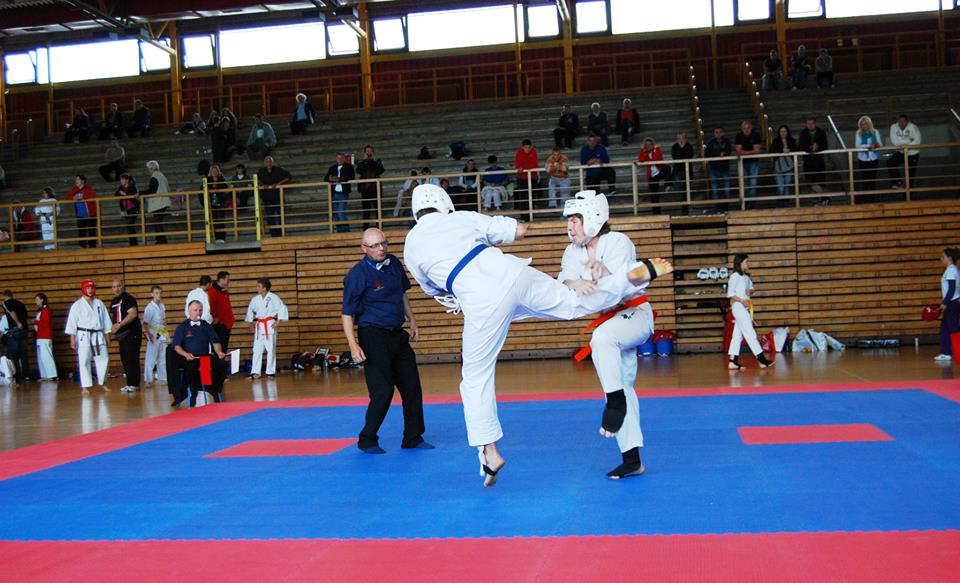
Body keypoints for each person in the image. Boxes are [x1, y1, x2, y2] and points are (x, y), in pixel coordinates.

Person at [402, 183, 672, 486]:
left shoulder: (411, 243)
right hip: (511, 271)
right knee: (570, 303)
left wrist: (453, 296)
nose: (571, 225)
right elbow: (516, 231)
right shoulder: (461, 218)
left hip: (479, 297)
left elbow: (430, 288)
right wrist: (518, 227)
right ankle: (628, 277)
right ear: (445, 203)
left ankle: (489, 451)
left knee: (475, 375)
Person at [559, 191, 652, 479]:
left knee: (601, 338)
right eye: (569, 221)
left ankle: (613, 402)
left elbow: (622, 284)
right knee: (624, 382)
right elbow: (563, 280)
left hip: (636, 315)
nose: (570, 226)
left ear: (594, 219)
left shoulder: (617, 242)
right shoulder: (572, 252)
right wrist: (576, 282)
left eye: (576, 220)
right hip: (611, 321)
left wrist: (600, 276)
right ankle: (632, 459)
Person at [342, 228, 432, 454]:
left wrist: (412, 320)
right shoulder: (357, 275)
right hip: (372, 335)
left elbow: (402, 294)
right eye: (374, 245)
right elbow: (347, 313)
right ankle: (367, 438)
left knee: (412, 387)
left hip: (396, 334)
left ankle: (413, 437)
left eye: (383, 243)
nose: (381, 248)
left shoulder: (393, 263)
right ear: (364, 249)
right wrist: (353, 345)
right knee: (382, 390)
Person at [170, 300, 228, 406]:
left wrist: (219, 352)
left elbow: (215, 341)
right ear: (189, 311)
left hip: (204, 356)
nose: (198, 312)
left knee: (222, 365)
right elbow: (176, 346)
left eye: (200, 310)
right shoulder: (182, 327)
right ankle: (193, 394)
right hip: (190, 357)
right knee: (191, 369)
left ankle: (214, 390)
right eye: (195, 310)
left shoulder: (206, 325)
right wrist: (186, 354)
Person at [726, 254, 774, 370]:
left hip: (745, 307)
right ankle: (762, 359)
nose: (748, 264)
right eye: (746, 262)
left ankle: (733, 361)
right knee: (750, 333)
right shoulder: (734, 276)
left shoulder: (746, 277)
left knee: (737, 336)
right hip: (738, 307)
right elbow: (730, 294)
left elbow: (751, 289)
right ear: (740, 263)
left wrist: (750, 292)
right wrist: (742, 300)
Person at [65, 280, 112, 395]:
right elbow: (72, 323)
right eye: (88, 288)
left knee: (104, 359)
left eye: (92, 288)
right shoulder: (77, 305)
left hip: (98, 334)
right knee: (84, 360)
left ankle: (102, 382)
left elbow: (105, 321)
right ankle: (85, 386)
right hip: (83, 335)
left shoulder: (99, 303)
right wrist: (72, 339)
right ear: (83, 289)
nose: (90, 290)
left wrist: (107, 336)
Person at [245, 279, 289, 378]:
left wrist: (278, 322)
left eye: (258, 286)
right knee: (257, 350)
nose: (257, 288)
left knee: (270, 349)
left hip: (269, 324)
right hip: (259, 325)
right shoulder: (255, 299)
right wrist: (250, 323)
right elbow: (250, 310)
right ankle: (255, 372)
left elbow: (282, 308)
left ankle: (270, 371)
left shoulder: (273, 297)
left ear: (264, 288)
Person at [110, 280, 142, 393]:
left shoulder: (128, 299)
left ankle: (134, 384)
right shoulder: (114, 301)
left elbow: (132, 314)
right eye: (114, 287)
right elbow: (113, 316)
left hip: (131, 332)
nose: (116, 289)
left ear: (123, 286)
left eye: (118, 286)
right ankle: (130, 383)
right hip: (122, 335)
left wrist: (120, 325)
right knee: (125, 359)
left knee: (131, 358)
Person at [935, 247, 960, 362]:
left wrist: (945, 303)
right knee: (945, 327)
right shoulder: (952, 269)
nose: (941, 258)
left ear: (949, 258)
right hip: (953, 302)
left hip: (952, 303)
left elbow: (951, 289)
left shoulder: (951, 270)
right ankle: (946, 352)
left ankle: (956, 353)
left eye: (943, 257)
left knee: (953, 328)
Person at [257, 156, 292, 237]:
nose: (268, 163)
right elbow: (256, 180)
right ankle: (274, 235)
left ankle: (281, 234)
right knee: (270, 218)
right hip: (267, 199)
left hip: (278, 197)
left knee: (281, 217)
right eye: (267, 161)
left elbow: (289, 177)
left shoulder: (278, 169)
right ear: (264, 163)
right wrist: (262, 185)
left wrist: (278, 184)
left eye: (270, 161)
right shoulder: (261, 171)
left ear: (272, 162)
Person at [0, 291, 29, 383]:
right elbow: (25, 315)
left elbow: (12, 312)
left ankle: (17, 376)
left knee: (14, 354)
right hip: (24, 330)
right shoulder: (20, 304)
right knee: (23, 354)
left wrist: (18, 323)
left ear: (4, 296)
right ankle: (26, 375)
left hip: (15, 329)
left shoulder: (5, 303)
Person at [355, 145, 386, 230]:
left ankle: (379, 227)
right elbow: (359, 171)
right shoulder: (361, 162)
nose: (369, 153)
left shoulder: (377, 161)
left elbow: (381, 170)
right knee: (366, 210)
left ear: (373, 152)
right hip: (365, 189)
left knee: (378, 209)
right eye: (367, 151)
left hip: (375, 189)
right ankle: (365, 228)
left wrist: (374, 161)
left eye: (370, 151)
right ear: (364, 153)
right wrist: (365, 161)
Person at [798, 117, 829, 201]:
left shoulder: (821, 132)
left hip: (819, 162)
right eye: (808, 124)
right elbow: (801, 146)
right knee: (810, 182)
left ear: (815, 124)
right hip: (808, 162)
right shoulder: (803, 133)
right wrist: (810, 148)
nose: (810, 125)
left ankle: (818, 201)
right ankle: (825, 197)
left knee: (819, 182)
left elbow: (825, 145)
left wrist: (818, 147)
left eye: (812, 124)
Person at [141, 161, 172, 245]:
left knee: (157, 222)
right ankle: (160, 240)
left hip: (159, 202)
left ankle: (161, 241)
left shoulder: (155, 177)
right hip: (163, 201)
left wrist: (140, 193)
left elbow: (152, 190)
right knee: (157, 221)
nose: (148, 171)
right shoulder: (161, 175)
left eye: (148, 169)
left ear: (151, 168)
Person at [142, 285, 168, 384]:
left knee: (163, 358)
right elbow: (145, 324)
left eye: (160, 293)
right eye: (156, 293)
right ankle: (148, 379)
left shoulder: (162, 306)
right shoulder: (149, 308)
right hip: (153, 335)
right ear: (152, 294)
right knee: (151, 358)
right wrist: (149, 335)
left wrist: (164, 322)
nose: (159, 295)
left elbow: (163, 319)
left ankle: (163, 378)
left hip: (162, 334)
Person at [888, 114, 922, 189]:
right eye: (900, 121)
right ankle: (897, 183)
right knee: (890, 163)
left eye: (904, 121)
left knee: (910, 176)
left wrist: (901, 143)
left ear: (907, 122)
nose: (901, 123)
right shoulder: (894, 127)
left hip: (913, 154)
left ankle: (908, 196)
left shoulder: (913, 127)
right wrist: (909, 140)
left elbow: (917, 142)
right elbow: (894, 142)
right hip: (901, 152)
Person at [325, 152, 356, 233]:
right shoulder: (332, 168)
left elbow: (351, 177)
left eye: (341, 158)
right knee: (336, 214)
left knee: (340, 212)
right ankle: (339, 231)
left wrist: (340, 179)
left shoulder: (349, 167)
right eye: (338, 158)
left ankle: (345, 231)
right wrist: (331, 179)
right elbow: (325, 178)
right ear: (336, 159)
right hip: (334, 193)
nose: (340, 160)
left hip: (343, 193)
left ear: (344, 159)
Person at [65, 174, 97, 248]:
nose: (76, 181)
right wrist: (73, 197)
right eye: (76, 180)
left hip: (90, 214)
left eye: (78, 180)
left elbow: (92, 196)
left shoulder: (88, 188)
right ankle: (83, 246)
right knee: (81, 231)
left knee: (91, 231)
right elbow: (67, 197)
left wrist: (82, 197)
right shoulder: (74, 189)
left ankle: (92, 246)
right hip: (80, 214)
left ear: (82, 181)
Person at [855, 115, 883, 198]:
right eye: (862, 124)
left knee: (872, 179)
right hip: (863, 159)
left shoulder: (875, 131)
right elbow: (857, 146)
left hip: (873, 158)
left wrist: (876, 145)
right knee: (864, 179)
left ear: (869, 124)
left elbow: (880, 144)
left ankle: (872, 197)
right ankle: (865, 198)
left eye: (865, 124)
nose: (864, 126)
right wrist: (868, 146)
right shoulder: (858, 133)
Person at [734, 121, 763, 201]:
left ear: (751, 128)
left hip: (754, 162)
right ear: (741, 129)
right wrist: (751, 152)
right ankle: (746, 203)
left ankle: (751, 205)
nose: (746, 130)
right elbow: (738, 152)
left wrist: (744, 152)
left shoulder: (756, 135)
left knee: (753, 183)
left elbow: (757, 151)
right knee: (744, 184)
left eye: (748, 128)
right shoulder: (739, 136)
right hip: (742, 163)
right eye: (744, 128)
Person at [705, 127, 733, 210]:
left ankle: (726, 207)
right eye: (716, 132)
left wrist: (717, 154)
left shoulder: (727, 141)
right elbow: (708, 154)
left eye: (720, 132)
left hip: (724, 168)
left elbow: (728, 151)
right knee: (715, 189)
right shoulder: (710, 143)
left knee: (726, 188)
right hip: (714, 168)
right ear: (714, 133)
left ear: (723, 133)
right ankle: (717, 208)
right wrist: (719, 154)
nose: (718, 134)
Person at [637, 137, 667, 214]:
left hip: (660, 172)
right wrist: (642, 150)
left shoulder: (657, 150)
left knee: (668, 168)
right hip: (652, 176)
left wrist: (651, 154)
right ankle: (656, 213)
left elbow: (657, 159)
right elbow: (640, 159)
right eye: (646, 145)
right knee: (654, 195)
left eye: (650, 145)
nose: (648, 146)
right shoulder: (645, 152)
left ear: (653, 145)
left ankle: (668, 185)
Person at [208, 271, 235, 351]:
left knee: (222, 347)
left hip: (224, 323)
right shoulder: (212, 292)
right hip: (218, 324)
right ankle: (213, 363)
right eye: (227, 279)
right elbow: (212, 307)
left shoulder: (223, 291)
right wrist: (217, 319)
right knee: (213, 348)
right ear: (221, 279)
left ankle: (219, 363)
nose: (229, 281)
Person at [769, 125, 798, 201]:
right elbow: (771, 151)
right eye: (781, 131)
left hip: (789, 166)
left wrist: (790, 150)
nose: (783, 133)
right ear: (779, 132)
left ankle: (786, 206)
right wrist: (782, 151)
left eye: (784, 131)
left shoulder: (791, 140)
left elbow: (796, 149)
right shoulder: (776, 141)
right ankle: (780, 206)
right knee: (781, 187)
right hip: (778, 167)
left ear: (787, 132)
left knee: (787, 185)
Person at [33, 294, 57, 381]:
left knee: (46, 356)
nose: (35, 301)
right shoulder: (42, 310)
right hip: (40, 336)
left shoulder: (46, 310)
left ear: (42, 300)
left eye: (37, 299)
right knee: (42, 357)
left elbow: (45, 323)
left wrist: (35, 321)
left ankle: (51, 375)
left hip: (45, 336)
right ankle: (45, 375)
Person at [514, 139, 539, 213]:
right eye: (525, 147)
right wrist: (525, 167)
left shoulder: (533, 152)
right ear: (522, 147)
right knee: (523, 198)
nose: (527, 149)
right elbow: (518, 165)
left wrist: (524, 167)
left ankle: (531, 213)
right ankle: (524, 215)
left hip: (532, 177)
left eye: (529, 147)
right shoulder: (519, 153)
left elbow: (535, 164)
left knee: (532, 196)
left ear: (531, 147)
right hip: (522, 178)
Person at [206, 164, 230, 243]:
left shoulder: (222, 180)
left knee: (220, 221)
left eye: (216, 171)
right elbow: (201, 192)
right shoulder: (207, 181)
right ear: (210, 172)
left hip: (220, 204)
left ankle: (221, 238)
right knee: (213, 221)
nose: (214, 172)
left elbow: (226, 191)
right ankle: (215, 238)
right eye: (213, 171)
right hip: (211, 204)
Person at [116, 174, 140, 246]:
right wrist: (120, 193)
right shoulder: (121, 187)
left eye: (122, 179)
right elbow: (116, 194)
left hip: (133, 208)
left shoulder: (132, 186)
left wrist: (125, 194)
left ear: (127, 180)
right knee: (129, 226)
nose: (121, 181)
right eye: (120, 179)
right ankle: (132, 243)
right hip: (125, 209)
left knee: (130, 224)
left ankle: (134, 243)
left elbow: (133, 195)